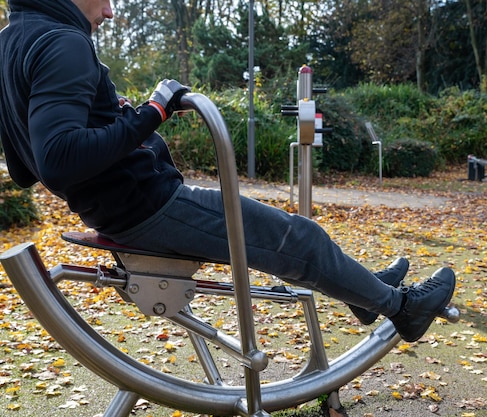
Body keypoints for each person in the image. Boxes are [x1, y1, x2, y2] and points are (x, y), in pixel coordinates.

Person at [0, 0, 455, 342]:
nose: (111, 11)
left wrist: (112, 124)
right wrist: (152, 111)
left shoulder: (10, 42)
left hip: (117, 206)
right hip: (145, 204)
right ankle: (402, 308)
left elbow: (25, 168)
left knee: (287, 239)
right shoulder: (64, 42)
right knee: (297, 238)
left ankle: (366, 293)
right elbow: (58, 159)